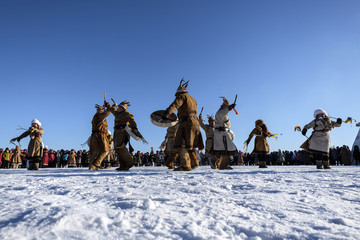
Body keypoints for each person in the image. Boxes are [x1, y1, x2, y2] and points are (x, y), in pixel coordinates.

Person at [162, 79, 204, 171]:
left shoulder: (181, 96)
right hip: (195, 123)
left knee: (181, 145)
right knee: (190, 145)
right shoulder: (193, 98)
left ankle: (185, 166)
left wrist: (166, 114)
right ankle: (194, 163)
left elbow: (175, 105)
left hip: (186, 123)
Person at [105, 100, 143, 171]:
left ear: (123, 108)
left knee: (121, 146)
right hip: (116, 132)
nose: (118, 108)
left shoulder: (127, 113)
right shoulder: (117, 113)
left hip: (123, 132)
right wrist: (107, 104)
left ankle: (130, 162)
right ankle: (122, 166)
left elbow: (132, 121)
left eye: (119, 107)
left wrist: (134, 128)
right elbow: (112, 109)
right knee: (117, 148)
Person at [212, 97, 237, 170]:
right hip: (221, 134)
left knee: (227, 151)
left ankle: (224, 165)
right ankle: (223, 166)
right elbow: (224, 112)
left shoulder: (223, 114)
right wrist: (229, 107)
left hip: (224, 133)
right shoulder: (220, 113)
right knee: (226, 151)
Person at [89, 103, 111, 170]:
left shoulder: (95, 116)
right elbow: (107, 113)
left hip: (95, 135)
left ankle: (92, 166)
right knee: (106, 150)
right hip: (100, 135)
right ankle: (97, 163)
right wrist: (111, 106)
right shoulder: (100, 115)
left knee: (95, 151)